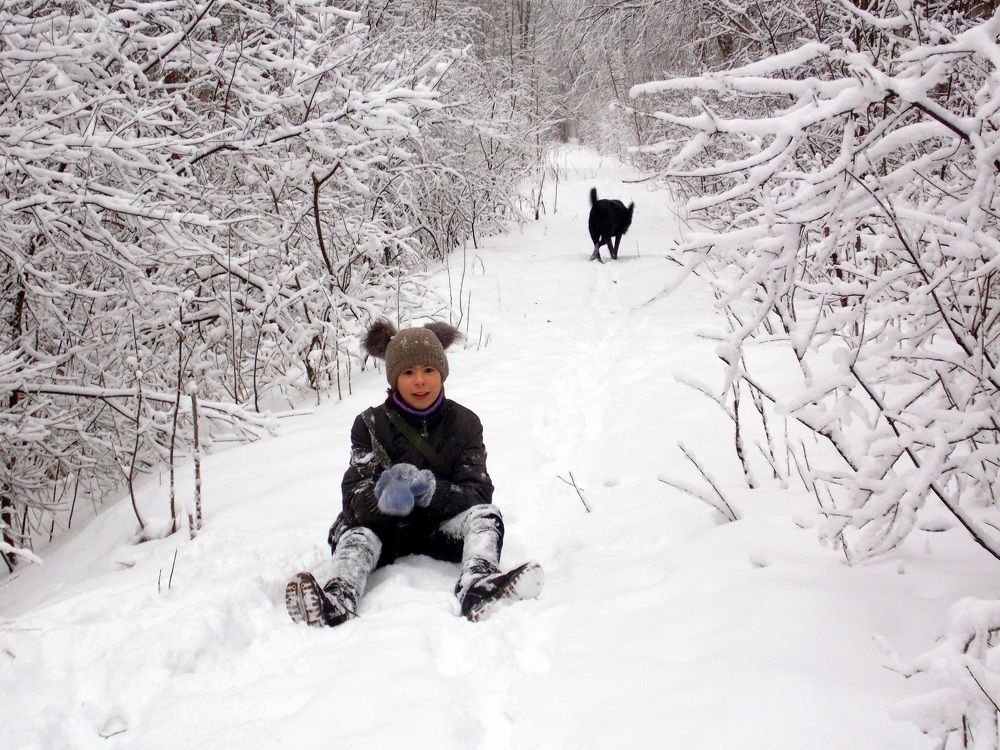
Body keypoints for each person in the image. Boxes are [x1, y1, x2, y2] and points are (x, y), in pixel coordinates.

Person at [285, 319, 543, 626]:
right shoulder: (369, 424)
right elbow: (352, 498)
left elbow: (477, 491)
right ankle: (338, 599)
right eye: (408, 372)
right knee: (354, 535)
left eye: (428, 370)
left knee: (486, 516)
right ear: (394, 378)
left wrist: (429, 490)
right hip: (385, 532)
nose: (419, 381)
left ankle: (479, 586)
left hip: (440, 530)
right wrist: (380, 496)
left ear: (442, 373)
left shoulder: (465, 423)